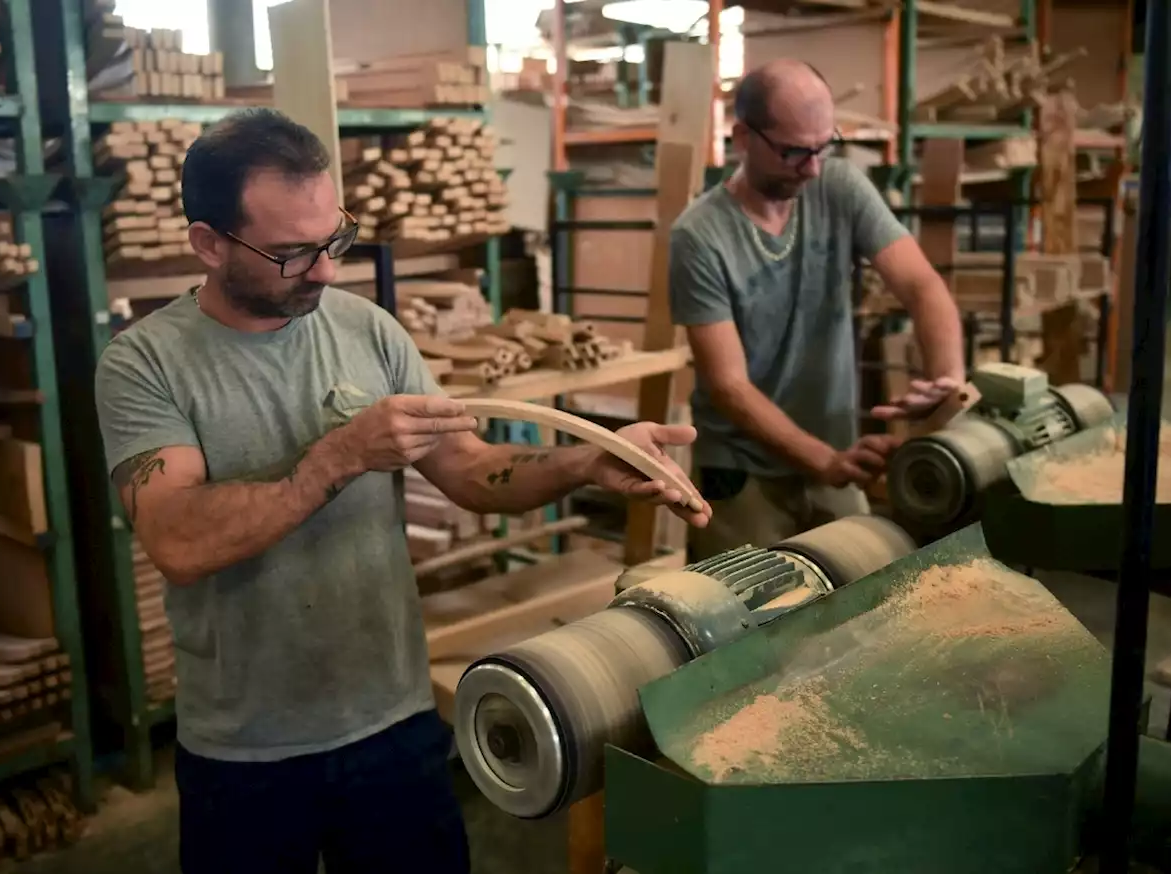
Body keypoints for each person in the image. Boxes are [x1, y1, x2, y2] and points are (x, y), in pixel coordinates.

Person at [93, 108, 712, 874]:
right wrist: (340, 456)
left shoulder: (367, 329)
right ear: (210, 244)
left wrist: (585, 463)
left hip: (392, 722)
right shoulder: (144, 365)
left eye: (334, 240)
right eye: (292, 254)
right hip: (247, 749)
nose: (326, 270)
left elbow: (468, 470)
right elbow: (178, 541)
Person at [670, 59, 965, 561]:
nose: (811, 167)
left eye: (823, 147)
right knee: (744, 626)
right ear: (743, 137)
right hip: (745, 473)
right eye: (793, 152)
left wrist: (947, 384)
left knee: (861, 604)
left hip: (832, 458)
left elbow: (920, 285)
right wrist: (823, 460)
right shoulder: (699, 236)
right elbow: (729, 386)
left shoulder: (839, 186)